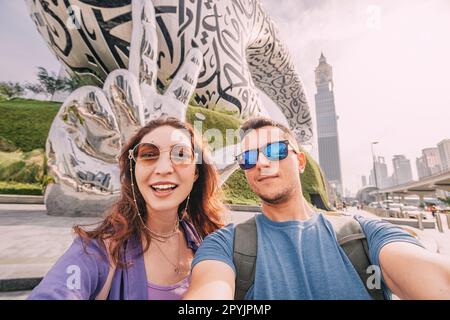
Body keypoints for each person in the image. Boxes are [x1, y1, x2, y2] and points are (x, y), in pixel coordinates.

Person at [184, 117, 450, 300]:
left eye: (275, 150)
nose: (262, 163)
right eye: (248, 158)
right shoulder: (225, 245)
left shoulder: (362, 234)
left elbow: (434, 278)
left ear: (300, 161)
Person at [28, 117, 225, 300]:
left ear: (196, 172)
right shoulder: (99, 249)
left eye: (180, 154)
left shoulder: (210, 241)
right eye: (148, 155)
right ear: (134, 168)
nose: (163, 168)